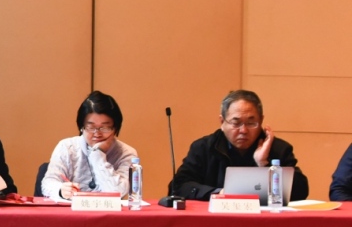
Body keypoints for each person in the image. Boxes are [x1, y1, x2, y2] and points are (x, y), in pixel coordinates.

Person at [169, 89, 309, 201]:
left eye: (251, 123)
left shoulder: (278, 149)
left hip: (262, 220)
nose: (243, 130)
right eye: (236, 123)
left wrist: (264, 164)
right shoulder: (204, 148)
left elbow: (301, 192)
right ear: (222, 122)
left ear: (261, 120)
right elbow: (178, 186)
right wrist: (218, 193)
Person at [40, 91, 137, 201]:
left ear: (115, 128)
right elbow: (48, 183)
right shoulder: (67, 147)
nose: (97, 133)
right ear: (81, 127)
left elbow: (117, 193)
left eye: (105, 128)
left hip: (110, 211)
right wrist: (61, 190)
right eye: (91, 127)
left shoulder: (126, 153)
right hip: (71, 210)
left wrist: (98, 155)